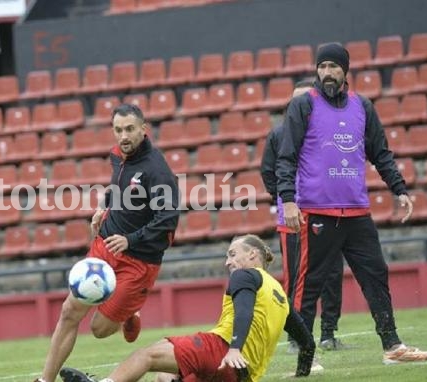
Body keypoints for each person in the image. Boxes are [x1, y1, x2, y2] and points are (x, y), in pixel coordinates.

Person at [275, 42, 427, 363]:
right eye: (322, 67)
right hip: (317, 211)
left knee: (376, 274)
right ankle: (306, 354)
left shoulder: (362, 106)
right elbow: (286, 157)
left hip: (357, 211)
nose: (327, 73)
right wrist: (289, 200)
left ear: (345, 70)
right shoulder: (303, 106)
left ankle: (392, 346)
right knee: (309, 287)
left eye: (333, 67)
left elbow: (380, 153)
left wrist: (399, 188)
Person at [35, 104, 181, 382]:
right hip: (105, 245)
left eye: (129, 129)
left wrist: (130, 239)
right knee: (69, 312)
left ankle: (129, 314)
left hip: (138, 262)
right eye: (118, 130)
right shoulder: (118, 156)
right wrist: (104, 209)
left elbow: (168, 219)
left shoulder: (157, 170)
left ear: (143, 129)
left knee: (99, 329)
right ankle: (44, 380)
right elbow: (118, 187)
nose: (123, 136)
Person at [59, 234, 317, 382]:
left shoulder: (246, 275)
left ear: (252, 255)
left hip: (222, 350)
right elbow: (307, 343)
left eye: (232, 254)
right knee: (164, 375)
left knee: (145, 356)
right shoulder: (279, 294)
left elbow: (245, 310)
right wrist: (301, 373)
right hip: (240, 376)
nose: (228, 262)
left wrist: (235, 347)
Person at [260, 79, 348, 352]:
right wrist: (288, 200)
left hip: (329, 213)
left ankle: (328, 334)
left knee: (333, 273)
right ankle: (296, 337)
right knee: (297, 278)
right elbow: (268, 173)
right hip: (294, 220)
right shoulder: (278, 135)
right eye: (296, 101)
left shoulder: (329, 133)